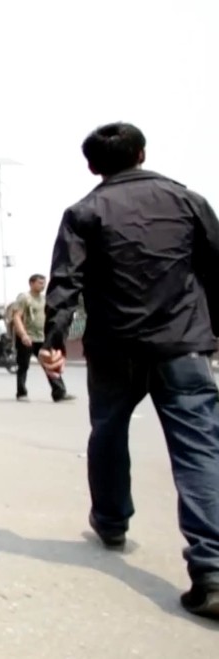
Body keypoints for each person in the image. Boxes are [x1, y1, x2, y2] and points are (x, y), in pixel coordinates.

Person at [39, 122, 219, 620]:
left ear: (93, 166)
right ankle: (211, 571)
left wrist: (53, 340)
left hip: (114, 348)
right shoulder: (188, 201)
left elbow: (64, 281)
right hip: (184, 345)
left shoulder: (83, 212)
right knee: (198, 449)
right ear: (142, 153)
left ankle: (112, 521)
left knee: (108, 432)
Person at [11, 274, 74, 403]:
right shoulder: (24, 298)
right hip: (27, 338)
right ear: (31, 283)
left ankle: (59, 393)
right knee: (23, 366)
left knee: (50, 364)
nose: (43, 285)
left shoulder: (45, 299)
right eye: (40, 283)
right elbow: (17, 317)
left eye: (44, 283)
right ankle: (21, 393)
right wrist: (23, 335)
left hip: (42, 337)